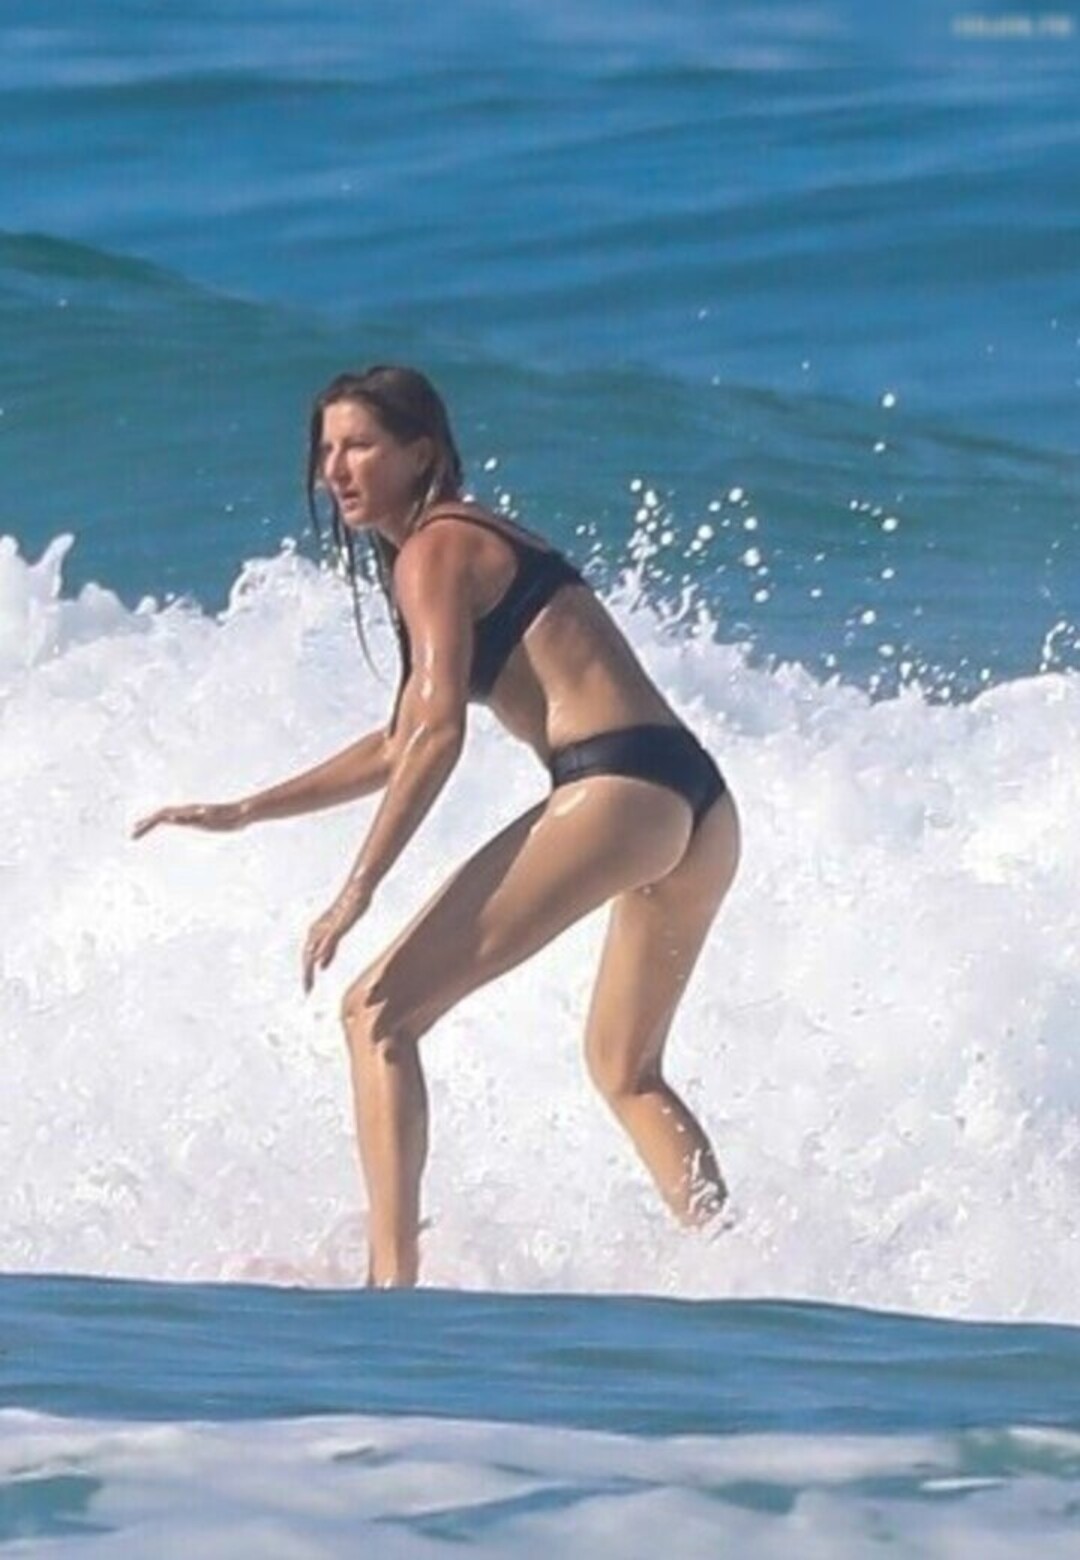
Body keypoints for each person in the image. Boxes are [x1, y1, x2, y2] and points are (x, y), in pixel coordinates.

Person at [133, 364, 741, 1288]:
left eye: (361, 446)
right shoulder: (457, 544)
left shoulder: (433, 549)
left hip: (617, 787)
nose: (337, 469)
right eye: (327, 450)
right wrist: (249, 810)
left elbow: (439, 737)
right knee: (625, 1067)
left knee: (376, 1012)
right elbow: (401, 738)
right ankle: (735, 1265)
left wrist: (357, 890)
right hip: (692, 800)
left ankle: (390, 1286)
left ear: (422, 453)